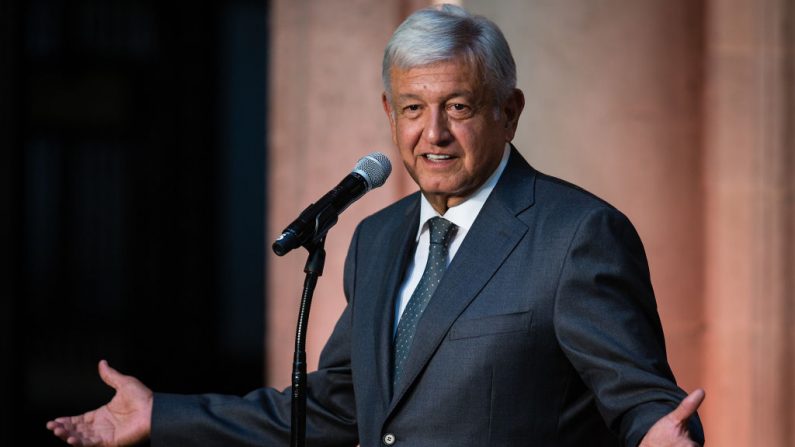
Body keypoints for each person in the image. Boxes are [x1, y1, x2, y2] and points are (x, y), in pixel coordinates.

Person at [47, 4, 705, 446]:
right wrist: (164, 413)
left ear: (509, 111)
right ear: (389, 111)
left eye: (458, 106)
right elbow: (337, 406)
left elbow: (643, 400)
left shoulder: (576, 235)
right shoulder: (377, 238)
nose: (433, 133)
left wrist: (657, 432)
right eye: (413, 107)